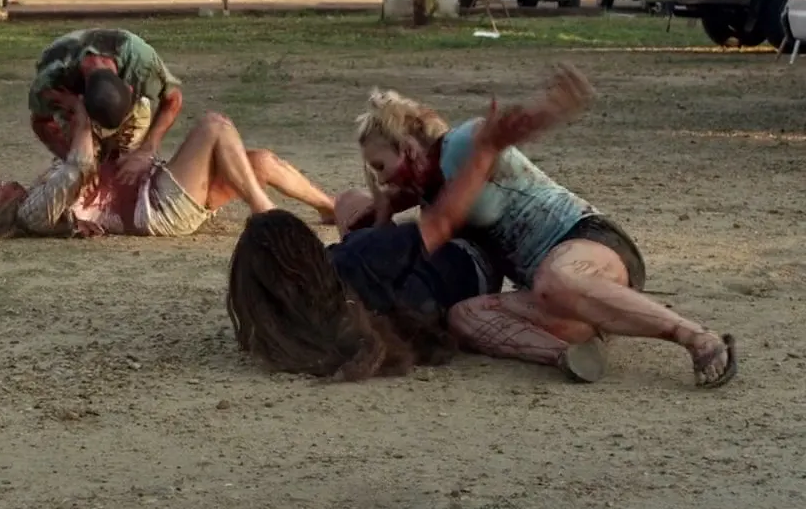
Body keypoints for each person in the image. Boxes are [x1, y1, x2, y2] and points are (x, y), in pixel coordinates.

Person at [354, 70, 737, 389]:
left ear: (406, 145)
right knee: (463, 317)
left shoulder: (461, 144)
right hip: (551, 290)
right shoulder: (429, 192)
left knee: (556, 280)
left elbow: (504, 130)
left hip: (588, 242)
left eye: (380, 166)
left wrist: (549, 108)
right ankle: (569, 354)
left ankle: (696, 337)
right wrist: (382, 208)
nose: (382, 179)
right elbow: (381, 237)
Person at [227, 65, 608, 382]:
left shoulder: (296, 319)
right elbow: (441, 223)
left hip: (417, 300)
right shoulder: (359, 255)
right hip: (469, 266)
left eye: (380, 167)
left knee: (350, 204)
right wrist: (489, 149)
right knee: (360, 216)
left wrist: (381, 210)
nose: (381, 179)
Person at [0, 105, 335, 239]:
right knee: (214, 126)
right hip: (156, 205)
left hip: (158, 189)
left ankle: (329, 207)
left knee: (258, 162)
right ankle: (265, 214)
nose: (0, 182)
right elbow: (79, 166)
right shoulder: (31, 213)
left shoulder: (37, 193)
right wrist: (84, 114)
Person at [29, 29, 184, 183]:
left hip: (127, 108)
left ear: (130, 88)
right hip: (76, 113)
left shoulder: (140, 60)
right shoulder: (52, 78)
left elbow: (173, 99)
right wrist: (72, 159)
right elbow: (40, 122)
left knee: (132, 171)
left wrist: (146, 150)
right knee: (83, 173)